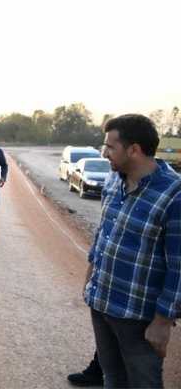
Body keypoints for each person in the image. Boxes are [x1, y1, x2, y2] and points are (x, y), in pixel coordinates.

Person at [85, 114, 181, 388]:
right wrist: (90, 277)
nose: (104, 153)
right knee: (112, 379)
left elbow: (179, 266)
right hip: (101, 302)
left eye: (110, 147)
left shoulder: (174, 194)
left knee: (143, 383)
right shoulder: (115, 180)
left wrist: (163, 321)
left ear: (134, 150)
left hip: (138, 316)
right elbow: (102, 233)